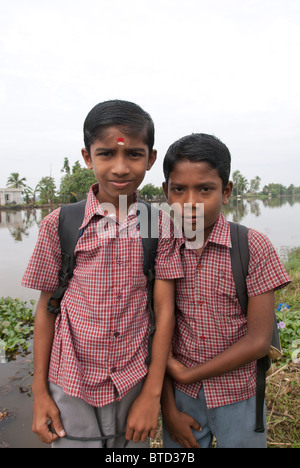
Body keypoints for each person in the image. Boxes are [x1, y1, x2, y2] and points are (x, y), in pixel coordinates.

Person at [22, 100, 183, 448]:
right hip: (71, 379)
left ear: (151, 158)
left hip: (134, 378)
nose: (121, 167)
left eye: (134, 155)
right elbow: (46, 309)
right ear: (87, 156)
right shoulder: (60, 224)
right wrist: (39, 394)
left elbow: (164, 309)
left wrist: (151, 395)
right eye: (107, 154)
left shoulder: (160, 225)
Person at [161, 133, 291, 448]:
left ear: (227, 190)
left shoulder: (251, 246)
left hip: (239, 394)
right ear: (166, 192)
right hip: (182, 399)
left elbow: (258, 341)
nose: (190, 202)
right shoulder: (161, 246)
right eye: (179, 189)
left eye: (205, 189)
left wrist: (189, 374)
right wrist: (168, 409)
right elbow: (156, 329)